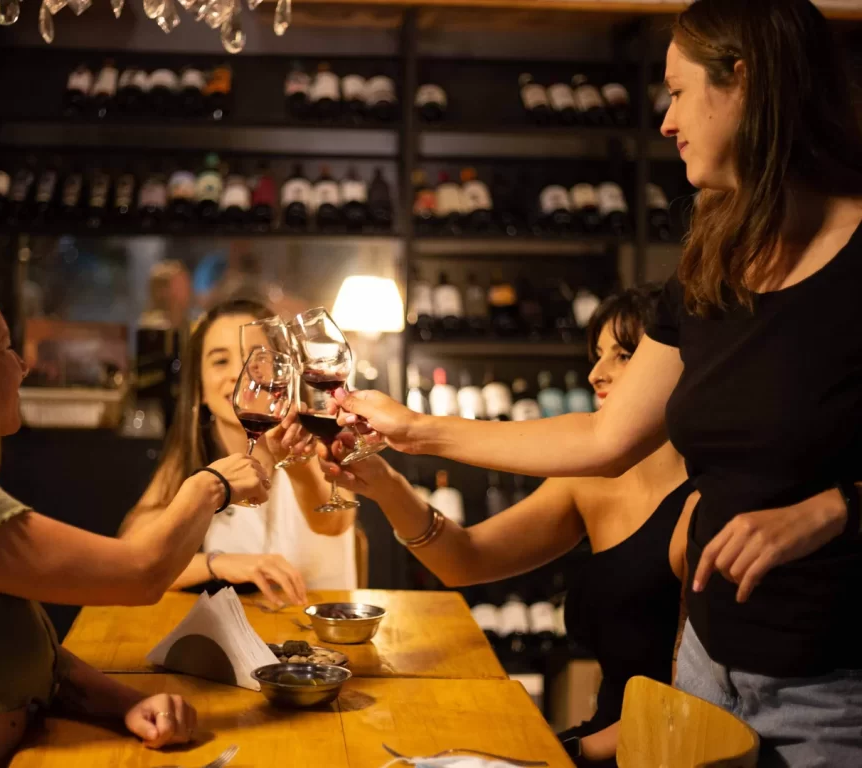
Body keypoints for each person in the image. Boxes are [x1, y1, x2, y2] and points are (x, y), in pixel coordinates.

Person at [333, 1, 862, 762]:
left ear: (741, 81)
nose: (665, 122)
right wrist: (414, 429)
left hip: (832, 692)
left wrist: (835, 508)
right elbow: (605, 437)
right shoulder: (711, 265)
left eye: (678, 92)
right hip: (707, 672)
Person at [0, 271, 270, 768]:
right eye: (3, 348)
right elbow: (140, 573)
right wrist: (211, 484)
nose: (21, 366)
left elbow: (38, 652)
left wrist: (126, 702)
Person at [324, 287, 697, 766]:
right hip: (595, 743)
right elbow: (467, 559)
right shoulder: (587, 485)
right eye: (596, 354)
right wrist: (386, 486)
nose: (595, 373)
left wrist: (553, 750)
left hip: (655, 751)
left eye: (623, 355)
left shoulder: (709, 501)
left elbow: (691, 705)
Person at [119, 299, 358, 606]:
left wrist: (297, 463)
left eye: (256, 357)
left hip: (325, 637)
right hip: (244, 639)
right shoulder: (196, 459)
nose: (240, 372)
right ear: (201, 389)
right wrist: (217, 563)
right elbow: (131, 554)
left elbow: (335, 522)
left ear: (284, 372)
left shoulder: (317, 442)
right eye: (220, 361)